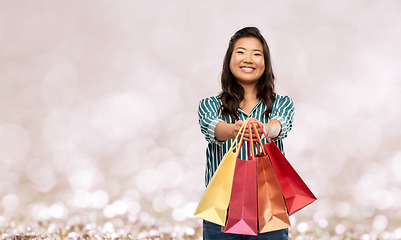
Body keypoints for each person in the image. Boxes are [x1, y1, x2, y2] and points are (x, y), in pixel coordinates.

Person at [197, 26, 295, 239]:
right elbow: (212, 127)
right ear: (229, 60)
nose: (248, 59)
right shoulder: (209, 105)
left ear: (265, 63)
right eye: (241, 52)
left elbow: (281, 124)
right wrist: (234, 129)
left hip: (268, 209)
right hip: (222, 209)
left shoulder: (281, 104)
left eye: (256, 54)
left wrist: (265, 129)